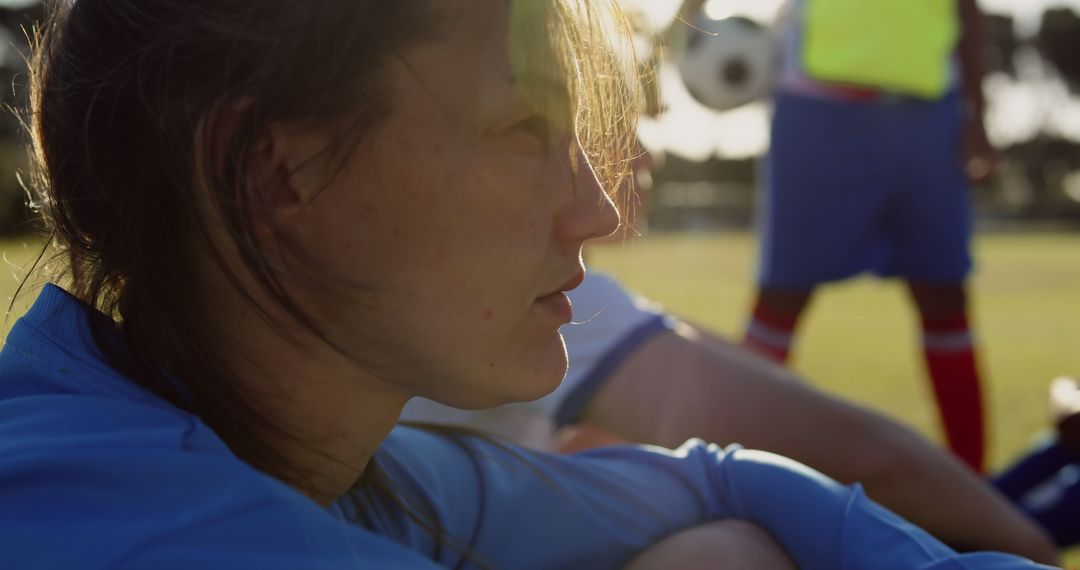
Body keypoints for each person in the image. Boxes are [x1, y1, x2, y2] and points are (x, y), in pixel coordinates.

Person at [0, 0, 1056, 568]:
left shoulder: (346, 468)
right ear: (280, 174)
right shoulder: (145, 537)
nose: (597, 210)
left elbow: (723, 481)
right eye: (524, 129)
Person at [738, 0, 995, 474]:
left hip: (929, 108)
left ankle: (977, 488)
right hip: (817, 103)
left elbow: (967, 7)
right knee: (781, 298)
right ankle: (722, 469)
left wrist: (977, 111)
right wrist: (686, 25)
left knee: (945, 294)